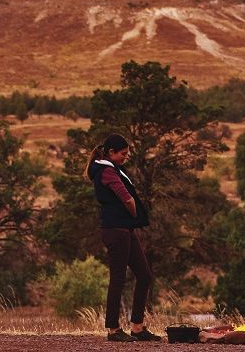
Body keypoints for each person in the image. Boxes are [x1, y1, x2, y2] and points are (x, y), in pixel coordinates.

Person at [87, 133, 161, 342]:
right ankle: (113, 329)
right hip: (115, 230)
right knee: (117, 279)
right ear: (111, 153)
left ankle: (137, 327)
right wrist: (133, 210)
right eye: (123, 154)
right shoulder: (107, 171)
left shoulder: (113, 169)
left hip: (125, 230)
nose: (126, 157)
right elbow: (126, 197)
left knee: (145, 275)